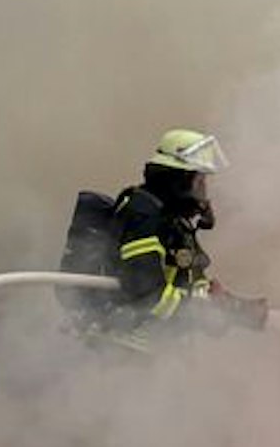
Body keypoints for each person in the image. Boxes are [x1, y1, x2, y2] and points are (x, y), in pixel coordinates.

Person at [97, 128, 265, 352]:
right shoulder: (144, 217)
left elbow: (184, 279)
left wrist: (226, 303)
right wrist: (205, 311)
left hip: (155, 350)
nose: (203, 190)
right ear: (178, 180)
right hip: (126, 350)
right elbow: (146, 292)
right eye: (199, 181)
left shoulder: (171, 219)